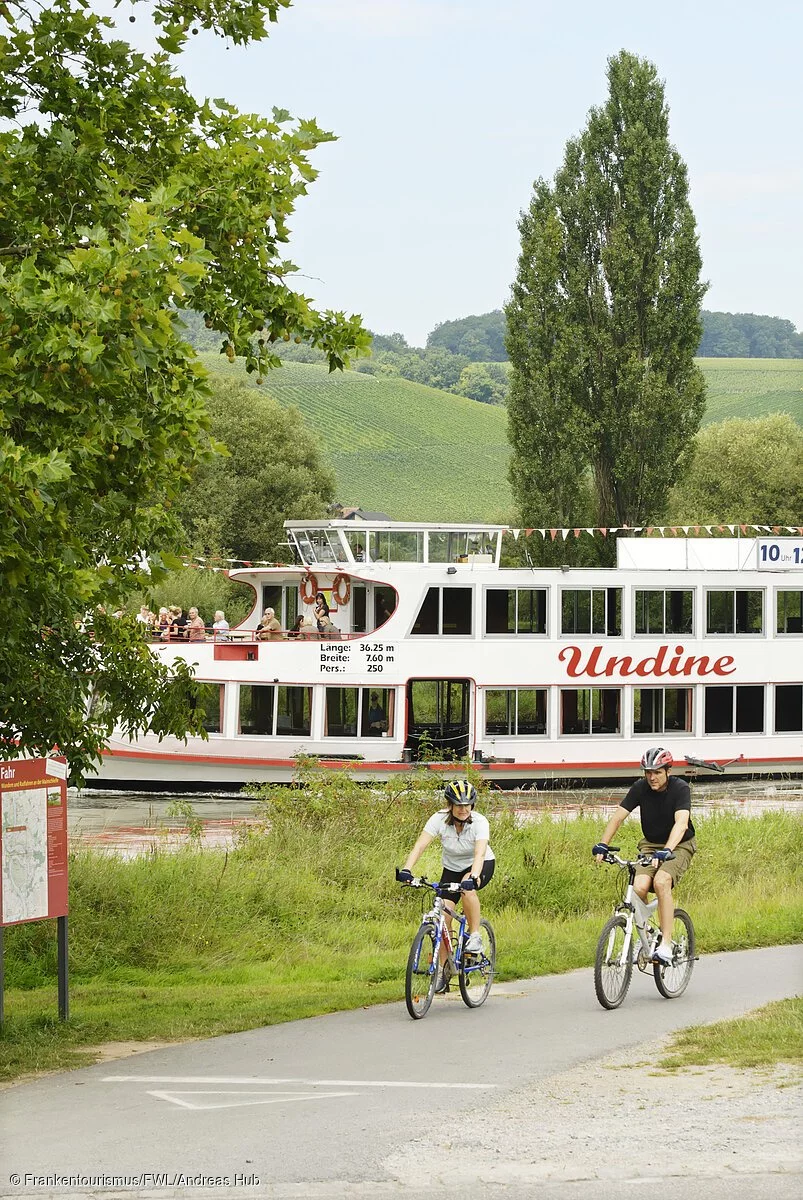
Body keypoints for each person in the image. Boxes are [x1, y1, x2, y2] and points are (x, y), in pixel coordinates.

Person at [592, 747, 697, 965]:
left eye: (657, 772)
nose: (652, 777)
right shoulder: (640, 788)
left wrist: (667, 850)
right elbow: (618, 817)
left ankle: (666, 944)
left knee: (661, 881)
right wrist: (603, 843)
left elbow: (681, 824)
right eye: (648, 772)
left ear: (668, 770)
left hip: (679, 845)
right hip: (650, 846)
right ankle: (647, 934)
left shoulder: (680, 788)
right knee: (639, 887)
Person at [397, 780, 495, 984]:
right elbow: (420, 845)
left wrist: (474, 875)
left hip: (480, 864)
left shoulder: (480, 822)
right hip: (451, 868)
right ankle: (443, 970)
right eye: (458, 805)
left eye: (467, 805)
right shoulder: (438, 819)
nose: (463, 809)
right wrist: (407, 870)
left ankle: (475, 935)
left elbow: (480, 853)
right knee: (443, 916)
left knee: (468, 888)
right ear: (449, 805)